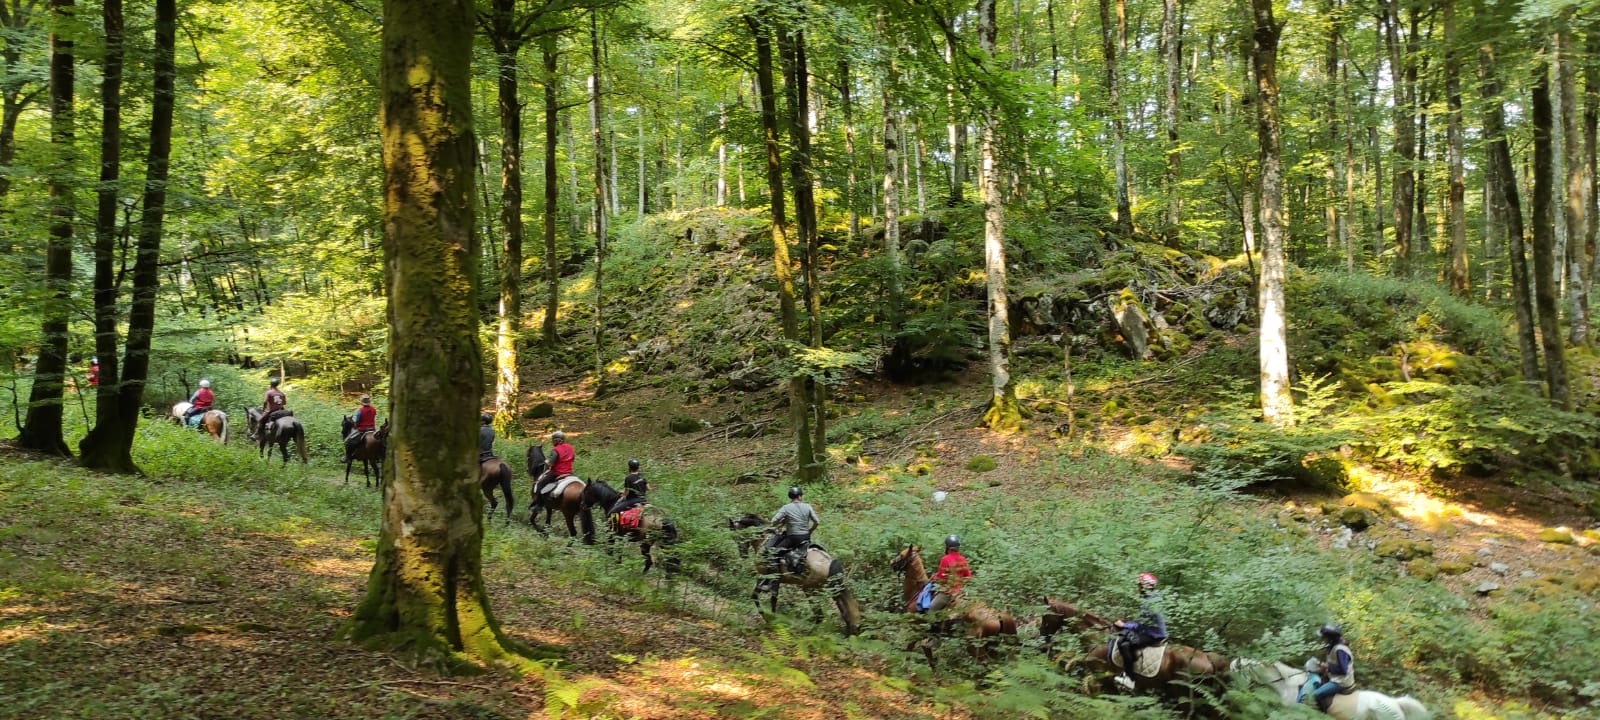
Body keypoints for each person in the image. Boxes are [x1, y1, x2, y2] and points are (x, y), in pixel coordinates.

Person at [1112, 572, 1168, 690]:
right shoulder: (1151, 598)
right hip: (1149, 631)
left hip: (1152, 635)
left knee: (1124, 644)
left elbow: (1140, 625)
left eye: (1140, 585)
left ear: (1146, 586)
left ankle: (1130, 679)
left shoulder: (1150, 602)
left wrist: (1124, 625)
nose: (1138, 587)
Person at [762, 486, 819, 580]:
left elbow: (773, 521)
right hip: (805, 537)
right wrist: (810, 531)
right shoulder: (808, 506)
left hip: (792, 538)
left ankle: (772, 579)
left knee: (773, 553)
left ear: (790, 497)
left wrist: (783, 521)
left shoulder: (786, 508)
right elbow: (817, 522)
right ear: (800, 496)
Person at [1311, 623, 1355, 712]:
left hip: (1341, 681)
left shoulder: (1340, 650)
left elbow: (1343, 670)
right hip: (1334, 676)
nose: (1322, 639)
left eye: (1324, 637)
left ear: (1330, 638)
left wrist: (1327, 666)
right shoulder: (1333, 646)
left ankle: (1321, 714)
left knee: (1315, 694)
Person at [925, 534, 972, 614]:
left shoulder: (945, 559)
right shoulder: (962, 559)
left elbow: (941, 579)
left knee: (931, 609)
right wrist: (960, 584)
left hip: (947, 593)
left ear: (947, 547)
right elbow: (968, 577)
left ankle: (932, 625)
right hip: (960, 592)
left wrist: (934, 577)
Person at [343, 395, 377, 462]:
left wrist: (355, 426)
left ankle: (348, 457)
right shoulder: (374, 410)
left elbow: (357, 421)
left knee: (348, 441)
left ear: (362, 402)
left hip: (362, 429)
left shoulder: (360, 411)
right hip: (372, 429)